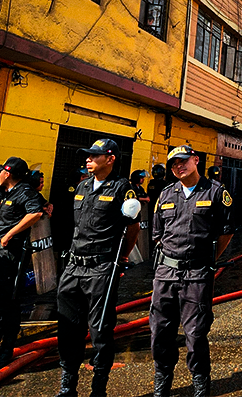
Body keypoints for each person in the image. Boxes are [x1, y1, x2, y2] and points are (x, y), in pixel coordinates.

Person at [55, 139, 141, 397]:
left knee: (100, 330)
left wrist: (123, 257)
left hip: (101, 269)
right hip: (73, 267)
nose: (88, 160)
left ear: (111, 158)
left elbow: (133, 227)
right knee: (68, 328)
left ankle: (98, 389)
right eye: (87, 156)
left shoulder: (122, 189)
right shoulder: (81, 186)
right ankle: (67, 387)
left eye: (94, 155)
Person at [150, 145, 234, 397]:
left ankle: (200, 382)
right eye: (174, 163)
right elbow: (157, 234)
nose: (178, 166)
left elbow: (227, 232)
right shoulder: (165, 194)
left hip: (197, 274)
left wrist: (209, 260)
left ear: (196, 160)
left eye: (183, 161)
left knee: (195, 333)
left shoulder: (216, 192)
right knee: (160, 331)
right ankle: (162, 381)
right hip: (166, 273)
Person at [0, 157, 44, 366]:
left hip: (11, 254)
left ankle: (7, 347)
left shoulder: (24, 191)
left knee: (8, 300)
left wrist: (9, 234)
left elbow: (35, 212)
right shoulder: (3, 192)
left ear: (7, 173)